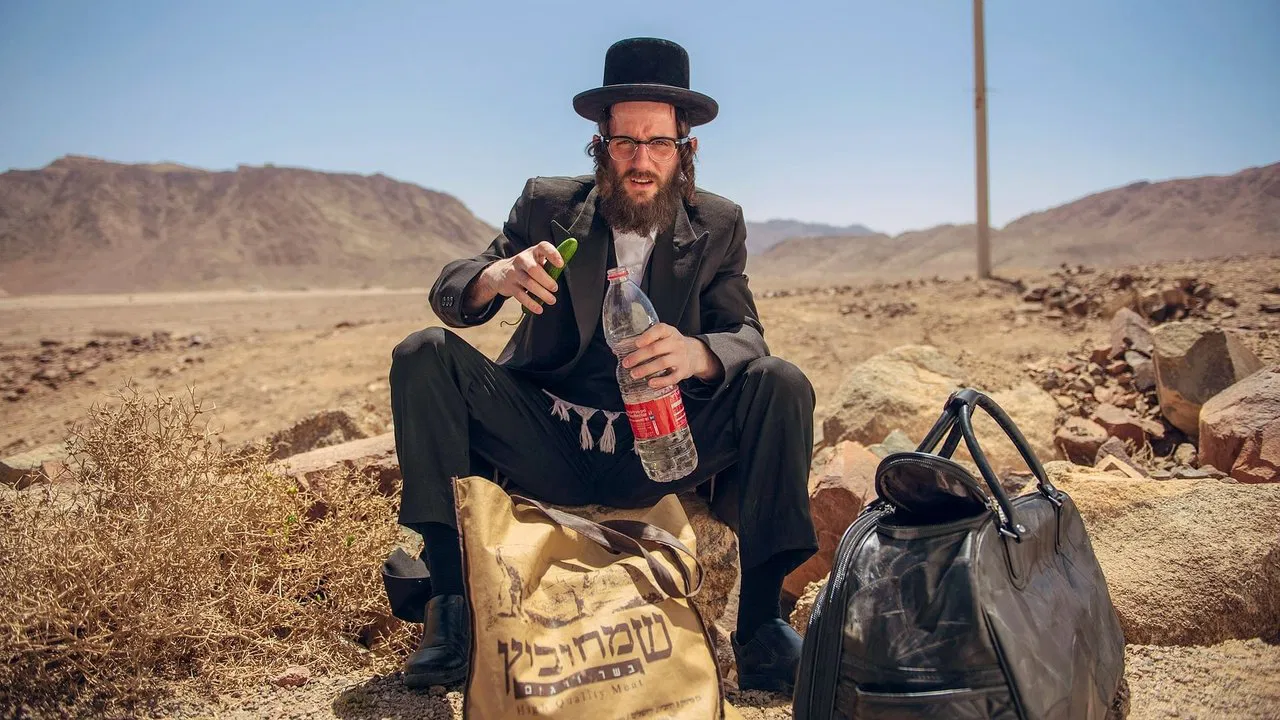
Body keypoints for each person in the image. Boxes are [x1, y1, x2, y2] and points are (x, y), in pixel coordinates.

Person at [389, 36, 818, 696]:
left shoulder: (718, 224)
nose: (641, 162)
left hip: (662, 447)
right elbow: (453, 288)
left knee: (780, 384)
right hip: (546, 442)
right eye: (625, 143)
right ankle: (450, 610)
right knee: (423, 354)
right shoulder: (547, 205)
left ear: (686, 149)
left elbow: (746, 335)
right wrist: (494, 277)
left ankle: (761, 627)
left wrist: (698, 354)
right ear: (600, 145)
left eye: (659, 143)